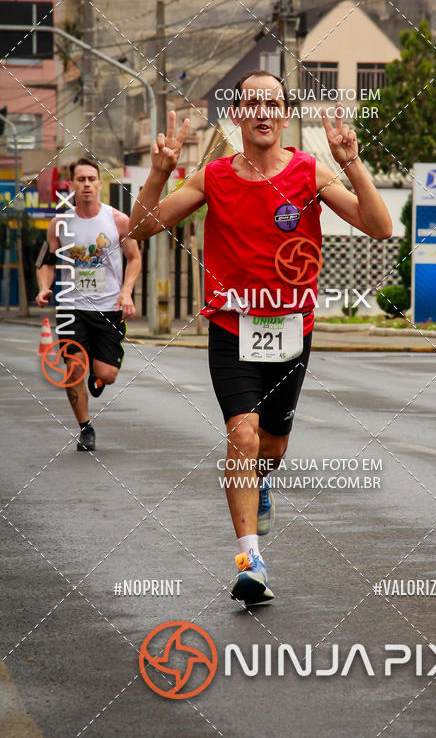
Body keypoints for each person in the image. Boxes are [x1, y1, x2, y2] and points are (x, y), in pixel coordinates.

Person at [129, 70, 392, 605]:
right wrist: (158, 174)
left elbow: (380, 226)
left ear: (286, 113)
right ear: (238, 114)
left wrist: (351, 162)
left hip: (292, 332)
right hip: (232, 328)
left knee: (271, 446)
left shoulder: (309, 171)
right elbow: (141, 228)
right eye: (253, 103)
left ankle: (263, 481)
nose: (263, 112)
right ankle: (251, 562)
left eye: (273, 102)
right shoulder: (213, 177)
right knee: (242, 438)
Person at [36, 158, 141, 451]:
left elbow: (134, 257)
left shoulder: (118, 221)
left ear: (99, 183)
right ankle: (85, 428)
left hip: (108, 307)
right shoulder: (59, 225)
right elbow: (45, 262)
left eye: (91, 179)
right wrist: (45, 288)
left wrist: (126, 292)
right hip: (71, 307)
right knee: (73, 369)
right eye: (80, 179)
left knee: (106, 373)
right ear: (71, 185)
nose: (86, 184)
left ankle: (97, 372)